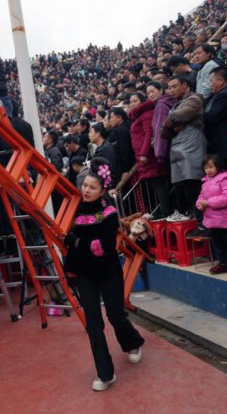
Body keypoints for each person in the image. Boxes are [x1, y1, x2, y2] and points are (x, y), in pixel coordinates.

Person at [63, 158, 145, 392]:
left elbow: (103, 247)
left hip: (108, 271)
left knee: (115, 315)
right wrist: (77, 244)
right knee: (93, 323)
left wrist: (76, 241)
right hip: (85, 274)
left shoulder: (109, 213)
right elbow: (69, 237)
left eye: (92, 187)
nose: (86, 190)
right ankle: (105, 373)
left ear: (102, 191)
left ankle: (133, 342)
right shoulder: (75, 209)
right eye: (85, 185)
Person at [162, 76, 206, 222]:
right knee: (184, 185)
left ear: (185, 85)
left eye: (174, 86)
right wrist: (172, 124)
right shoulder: (176, 104)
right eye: (169, 87)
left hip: (191, 144)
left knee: (193, 184)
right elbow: (164, 131)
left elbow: (174, 118)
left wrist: (171, 122)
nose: (171, 90)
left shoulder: (194, 99)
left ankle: (203, 222)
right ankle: (197, 220)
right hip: (178, 145)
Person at [128, 92, 170, 218]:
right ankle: (159, 213)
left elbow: (149, 134)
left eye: (135, 101)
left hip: (149, 156)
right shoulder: (138, 116)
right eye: (130, 102)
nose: (132, 104)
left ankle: (166, 212)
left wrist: (144, 153)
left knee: (158, 183)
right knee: (153, 185)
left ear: (142, 101)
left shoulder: (146, 114)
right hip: (142, 156)